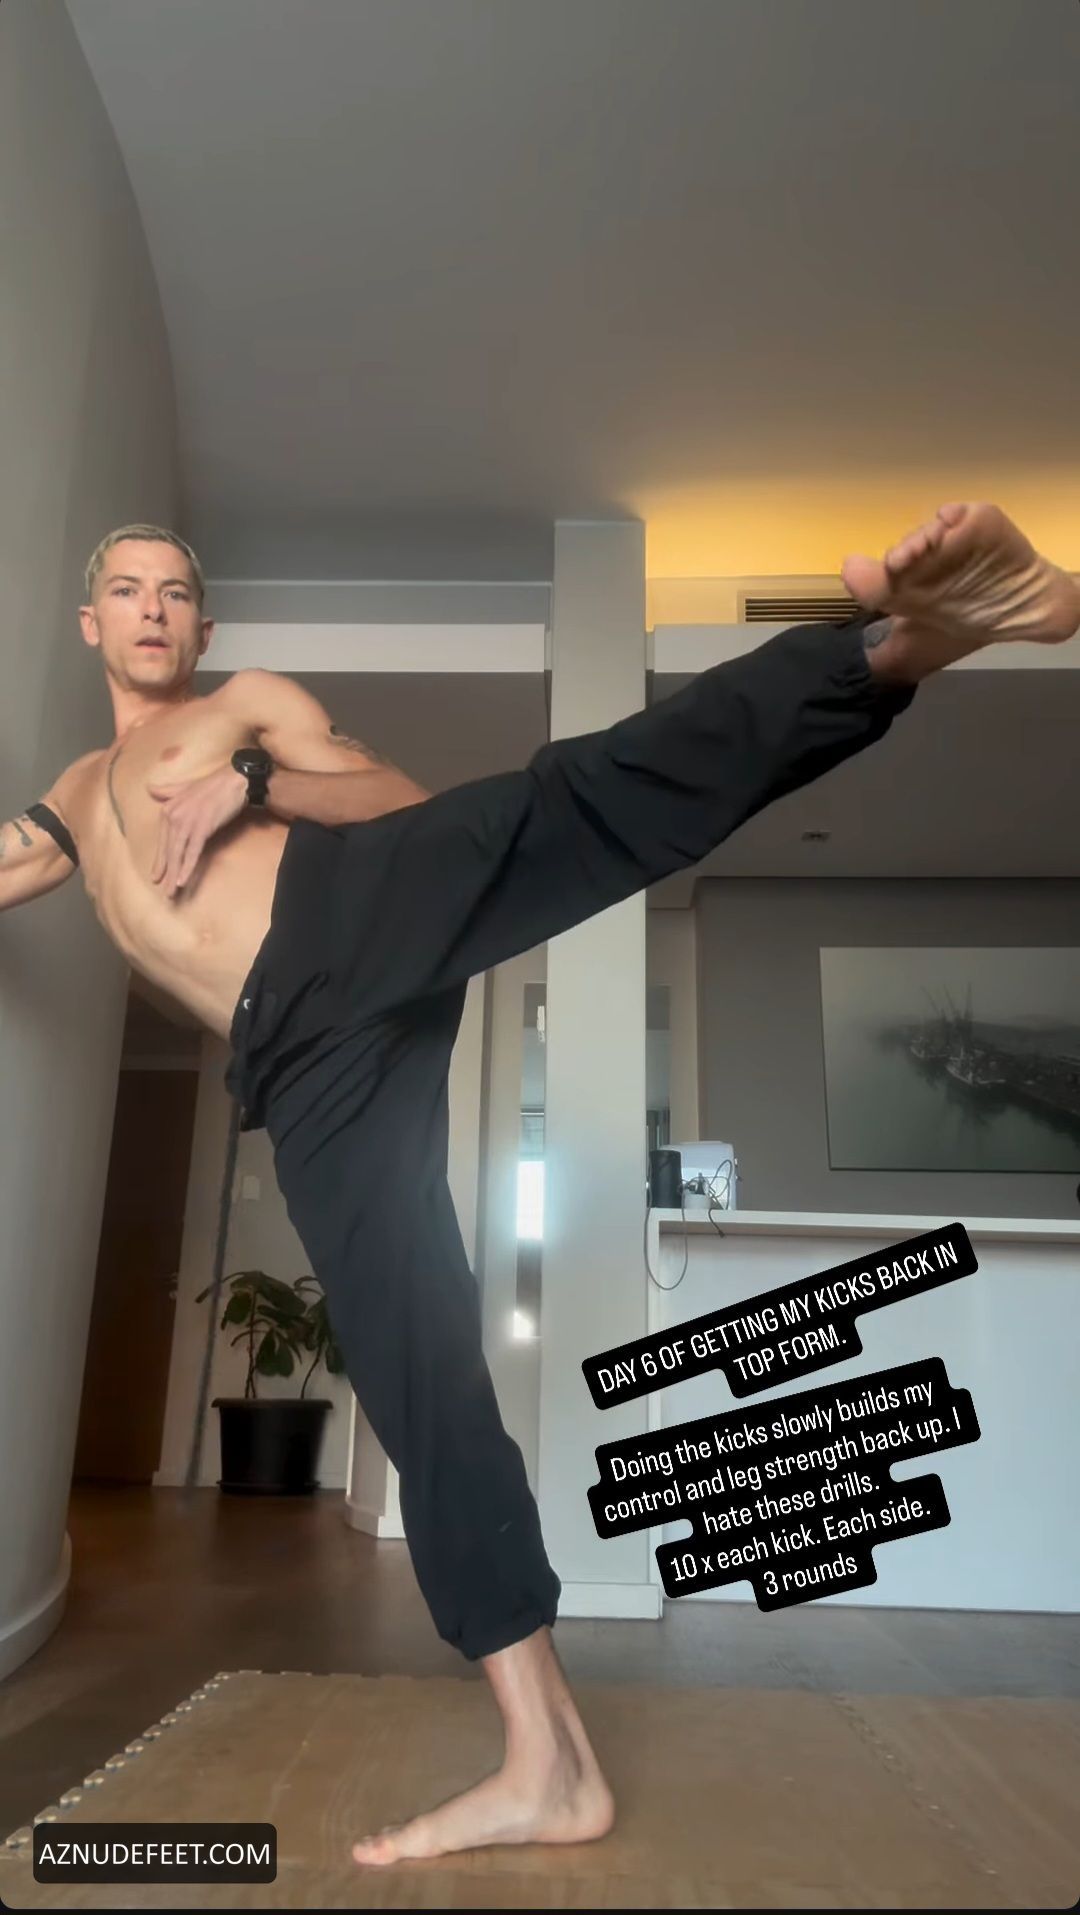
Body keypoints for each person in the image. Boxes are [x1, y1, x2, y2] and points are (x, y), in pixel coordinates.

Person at [3, 503, 1077, 1865]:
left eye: (173, 591)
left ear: (203, 627)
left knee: (578, 799)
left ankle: (895, 646)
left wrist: (256, 784)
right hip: (301, 1054)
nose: (152, 609)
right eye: (126, 590)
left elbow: (396, 804)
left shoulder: (244, 707)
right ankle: (547, 1759)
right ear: (89, 620)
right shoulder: (72, 797)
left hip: (356, 907)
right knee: (412, 1363)